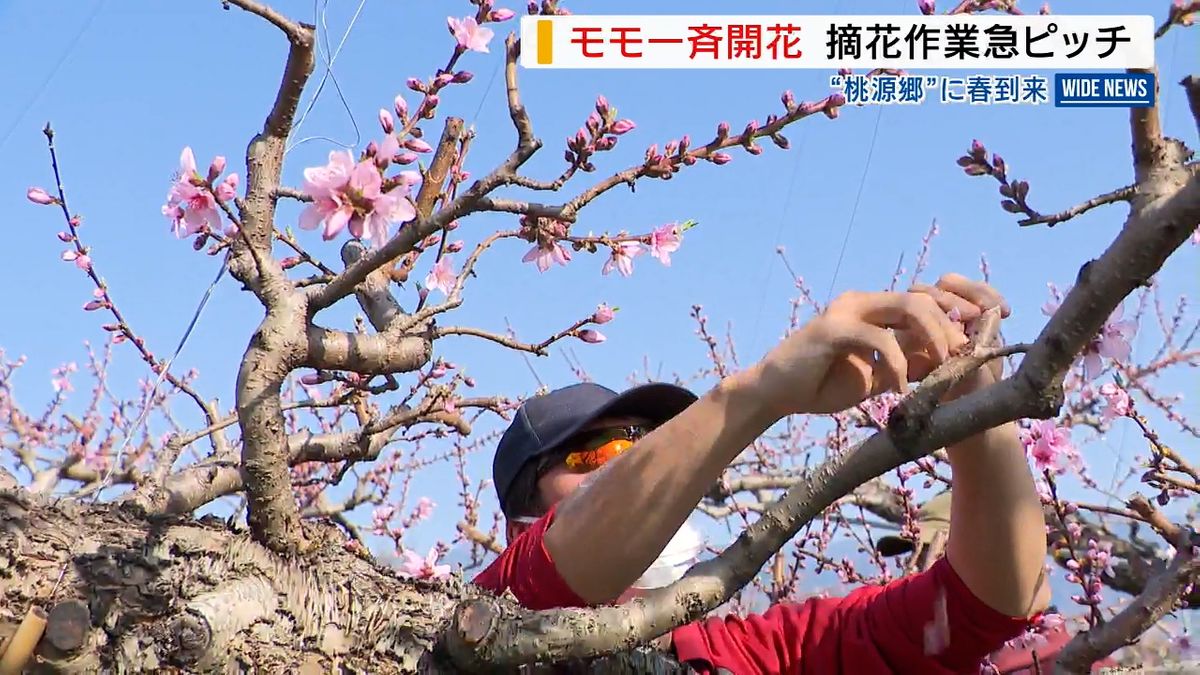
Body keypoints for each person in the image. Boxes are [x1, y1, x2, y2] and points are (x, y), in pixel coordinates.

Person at [474, 274, 1051, 674]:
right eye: (600, 455)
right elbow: (542, 577)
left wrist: (977, 405)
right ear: (519, 525)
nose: (641, 463)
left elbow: (983, 608)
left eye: (658, 448)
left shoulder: (742, 654)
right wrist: (758, 393)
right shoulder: (468, 631)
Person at [875, 491, 1118, 675]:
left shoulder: (1065, 660)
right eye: (916, 557)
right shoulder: (915, 651)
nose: (919, 572)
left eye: (939, 557)